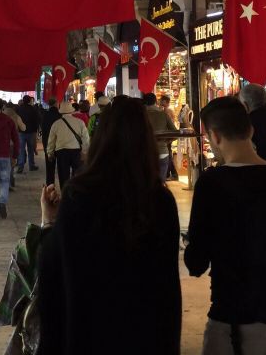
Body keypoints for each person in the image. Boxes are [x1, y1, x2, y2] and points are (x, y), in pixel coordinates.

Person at [38, 96, 181, 354]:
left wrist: (49, 222)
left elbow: (55, 274)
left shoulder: (79, 195)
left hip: (89, 334)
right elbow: (168, 289)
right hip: (144, 336)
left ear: (101, 139)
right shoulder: (160, 200)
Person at [185, 96, 266, 354]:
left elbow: (196, 262)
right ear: (251, 130)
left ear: (214, 136)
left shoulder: (212, 184)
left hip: (236, 321)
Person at [48, 100, 90, 188]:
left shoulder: (56, 124)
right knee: (77, 175)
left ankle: (64, 194)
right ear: (72, 111)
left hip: (61, 152)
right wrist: (84, 152)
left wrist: (50, 153)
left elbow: (51, 141)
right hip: (76, 152)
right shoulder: (80, 122)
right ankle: (75, 194)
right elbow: (86, 139)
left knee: (63, 176)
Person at [144, 92, 178, 181]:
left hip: (146, 153)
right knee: (160, 184)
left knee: (148, 184)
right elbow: (175, 133)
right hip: (163, 152)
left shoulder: (141, 116)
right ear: (155, 101)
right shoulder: (163, 114)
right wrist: (166, 142)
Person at [16, 95, 41, 173]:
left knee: (21, 150)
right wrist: (36, 130)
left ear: (23, 101)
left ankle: (20, 166)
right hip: (31, 132)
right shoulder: (33, 109)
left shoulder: (19, 109)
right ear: (29, 101)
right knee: (30, 150)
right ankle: (31, 165)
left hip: (21, 132)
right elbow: (37, 120)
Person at [41, 98, 61, 186]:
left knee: (49, 167)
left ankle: (50, 186)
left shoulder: (45, 115)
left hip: (47, 142)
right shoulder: (60, 115)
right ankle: (63, 186)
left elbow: (43, 129)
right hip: (60, 143)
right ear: (56, 103)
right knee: (62, 168)